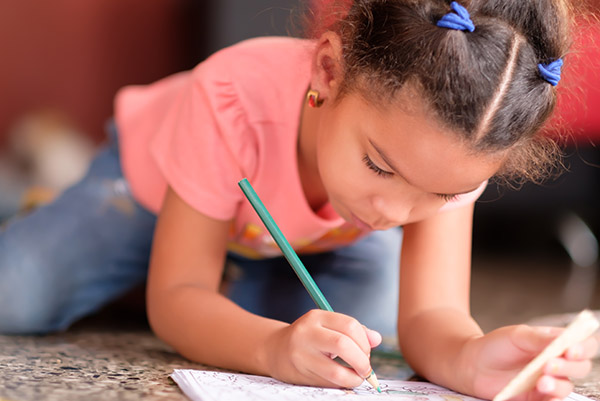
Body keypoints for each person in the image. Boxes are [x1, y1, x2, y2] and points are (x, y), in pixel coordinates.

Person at [0, 0, 597, 399]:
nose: (393, 214)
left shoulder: (459, 145)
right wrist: (268, 346)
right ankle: (50, 205)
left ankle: (160, 283)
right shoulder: (230, 97)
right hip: (145, 192)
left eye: (440, 194)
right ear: (329, 71)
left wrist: (470, 358)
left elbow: (428, 319)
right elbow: (179, 296)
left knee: (369, 321)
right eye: (378, 166)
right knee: (18, 292)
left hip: (286, 240)